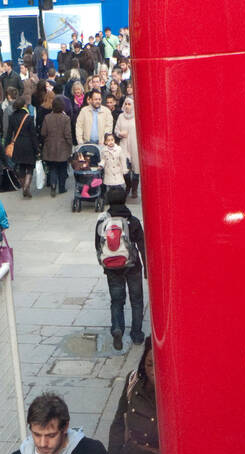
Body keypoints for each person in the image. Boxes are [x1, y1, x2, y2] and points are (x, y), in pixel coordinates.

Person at [95, 187, 147, 350]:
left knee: (116, 301)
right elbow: (143, 245)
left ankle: (117, 329)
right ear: (124, 200)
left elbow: (98, 245)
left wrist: (104, 264)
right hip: (132, 266)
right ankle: (137, 335)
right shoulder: (133, 221)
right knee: (136, 300)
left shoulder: (103, 222)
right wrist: (146, 266)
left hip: (112, 267)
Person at [40, 97, 73, 197]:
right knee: (62, 168)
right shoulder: (66, 119)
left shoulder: (47, 117)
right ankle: (62, 188)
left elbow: (43, 132)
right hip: (63, 147)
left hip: (50, 146)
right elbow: (68, 134)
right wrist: (70, 145)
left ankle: (53, 185)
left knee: (52, 168)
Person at [6, 99, 39, 198]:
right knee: (30, 166)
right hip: (28, 144)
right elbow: (33, 134)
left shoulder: (12, 117)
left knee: (20, 166)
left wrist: (7, 145)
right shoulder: (28, 117)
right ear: (24, 105)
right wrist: (37, 148)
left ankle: (22, 183)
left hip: (17, 144)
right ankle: (26, 186)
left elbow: (9, 133)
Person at [113, 96, 140, 200]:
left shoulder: (137, 116)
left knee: (136, 168)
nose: (127, 106)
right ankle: (128, 185)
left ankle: (134, 189)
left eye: (129, 104)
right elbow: (116, 130)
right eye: (126, 104)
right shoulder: (120, 117)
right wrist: (120, 134)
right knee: (125, 168)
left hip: (135, 145)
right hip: (124, 145)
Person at [99, 130, 127, 196]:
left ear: (114, 140)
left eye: (112, 140)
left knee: (118, 187)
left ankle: (119, 198)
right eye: (108, 140)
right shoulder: (104, 150)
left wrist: (124, 169)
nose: (110, 142)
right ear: (105, 142)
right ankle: (110, 198)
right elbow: (103, 159)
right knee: (110, 188)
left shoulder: (119, 149)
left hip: (117, 171)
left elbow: (122, 160)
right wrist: (101, 165)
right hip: (109, 172)